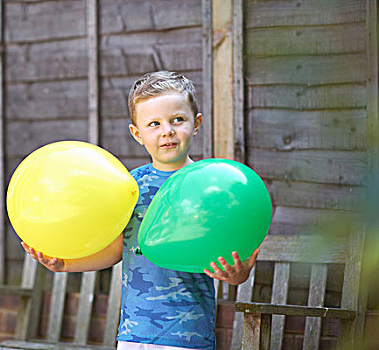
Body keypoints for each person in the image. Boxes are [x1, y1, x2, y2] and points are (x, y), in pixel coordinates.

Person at [22, 71, 259, 349]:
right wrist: (64, 265)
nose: (167, 131)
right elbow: (115, 250)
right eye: (154, 123)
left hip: (187, 335)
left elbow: (234, 258)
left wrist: (238, 274)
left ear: (196, 124)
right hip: (133, 335)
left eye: (177, 120)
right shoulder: (128, 187)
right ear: (137, 133)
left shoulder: (211, 188)